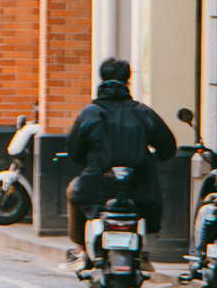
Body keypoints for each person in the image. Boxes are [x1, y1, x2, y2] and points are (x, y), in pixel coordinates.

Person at [63, 56, 177, 233]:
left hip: (94, 188)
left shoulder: (89, 113)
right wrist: (151, 156)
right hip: (140, 191)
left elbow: (74, 153)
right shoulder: (143, 112)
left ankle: (80, 248)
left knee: (72, 190)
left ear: (102, 80)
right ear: (128, 82)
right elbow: (168, 147)